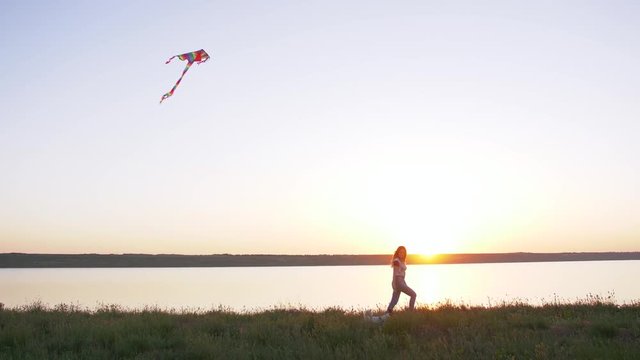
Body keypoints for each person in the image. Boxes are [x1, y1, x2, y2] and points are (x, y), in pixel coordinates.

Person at [383, 246, 417, 318]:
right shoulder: (396, 261)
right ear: (398, 252)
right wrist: (394, 284)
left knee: (394, 300)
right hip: (398, 281)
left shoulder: (402, 261)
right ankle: (411, 313)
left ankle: (386, 315)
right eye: (400, 252)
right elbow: (395, 273)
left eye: (403, 252)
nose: (402, 254)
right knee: (413, 295)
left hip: (402, 281)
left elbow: (402, 274)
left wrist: (403, 282)